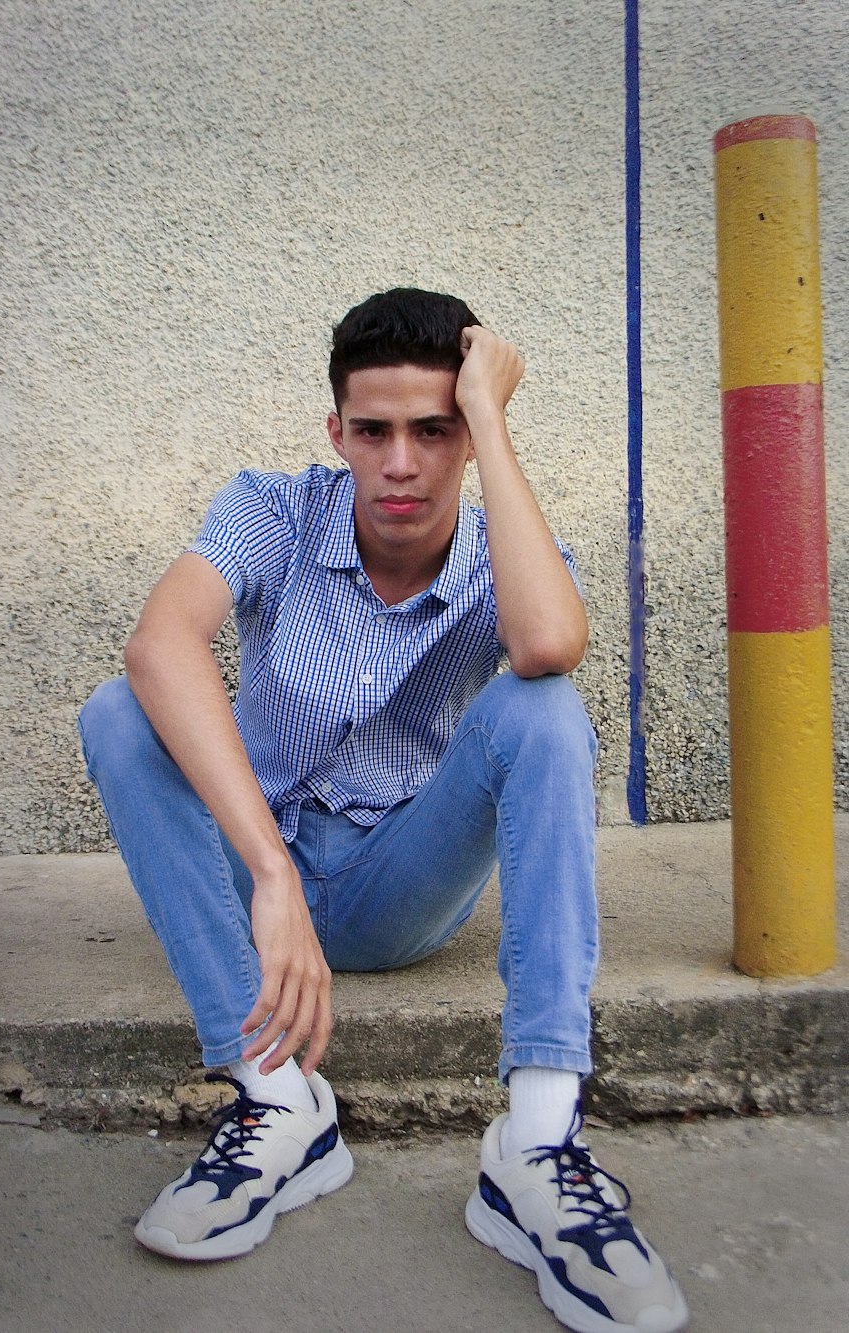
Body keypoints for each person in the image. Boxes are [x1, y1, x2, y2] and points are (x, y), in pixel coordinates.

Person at [78, 288, 689, 1333]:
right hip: (255, 877)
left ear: (463, 435)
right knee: (118, 709)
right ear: (337, 433)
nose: (400, 463)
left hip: (397, 882)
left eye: (432, 430)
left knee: (541, 711)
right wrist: (269, 872)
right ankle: (278, 1106)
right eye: (373, 431)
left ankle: (537, 1146)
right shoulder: (274, 509)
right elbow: (159, 644)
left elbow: (547, 647)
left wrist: (492, 420)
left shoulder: (505, 548)